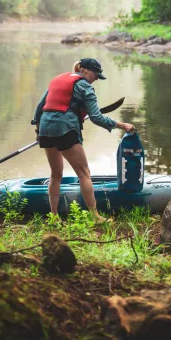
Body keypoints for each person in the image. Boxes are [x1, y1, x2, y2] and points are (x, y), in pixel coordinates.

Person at [32, 58, 135, 224]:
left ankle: (53, 216)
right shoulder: (85, 86)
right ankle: (95, 217)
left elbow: (40, 107)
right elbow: (96, 117)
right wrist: (122, 125)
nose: (96, 79)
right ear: (86, 71)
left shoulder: (58, 78)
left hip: (45, 127)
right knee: (84, 173)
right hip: (65, 128)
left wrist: (38, 130)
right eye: (96, 75)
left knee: (56, 173)